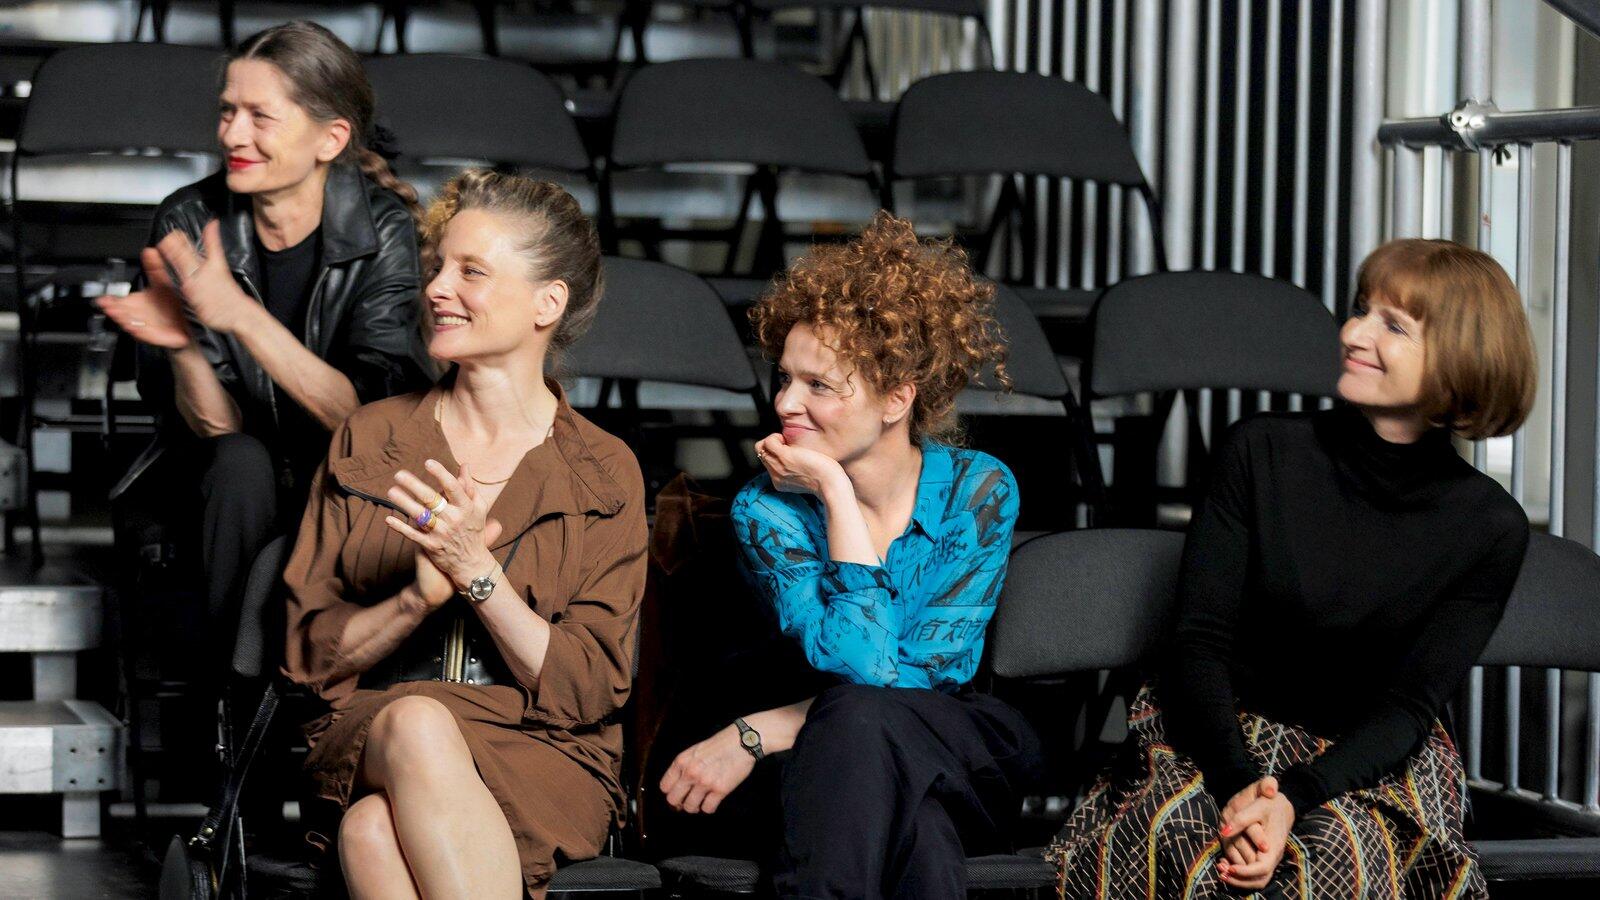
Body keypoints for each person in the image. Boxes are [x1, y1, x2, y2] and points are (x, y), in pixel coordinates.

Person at [1049, 238, 1537, 899]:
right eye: (1360, 310)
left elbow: (1407, 707)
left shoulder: (1491, 527)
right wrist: (1239, 786)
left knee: (1334, 858)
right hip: (1217, 735)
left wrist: (1293, 799)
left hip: (1365, 760)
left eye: (1393, 326)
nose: (1353, 334)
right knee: (1191, 845)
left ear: (1461, 359)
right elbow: (1199, 643)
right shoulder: (1260, 450)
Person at [651, 211, 1044, 899]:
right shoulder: (766, 510)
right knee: (912, 824)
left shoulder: (979, 489)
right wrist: (835, 493)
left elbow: (916, 675)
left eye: (819, 386)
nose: (785, 403)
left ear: (896, 400)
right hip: (844, 765)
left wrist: (762, 729)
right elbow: (862, 671)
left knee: (861, 730)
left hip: (957, 742)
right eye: (784, 378)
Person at [281, 170, 644, 899]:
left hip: (543, 749)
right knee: (418, 722)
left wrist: (477, 573)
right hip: (370, 732)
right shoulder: (370, 438)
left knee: (371, 832)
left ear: (547, 303)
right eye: (439, 267)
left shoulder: (604, 470)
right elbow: (307, 661)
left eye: (471, 271)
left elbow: (589, 688)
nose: (438, 289)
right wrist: (414, 600)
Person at [97, 21, 433, 672]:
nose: (232, 135)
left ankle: (278, 692)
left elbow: (366, 421)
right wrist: (183, 345)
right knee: (242, 463)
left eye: (260, 116)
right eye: (228, 112)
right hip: (220, 475)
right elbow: (214, 425)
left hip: (344, 465)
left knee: (326, 472)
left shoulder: (384, 228)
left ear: (331, 138)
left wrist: (242, 318)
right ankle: (240, 694)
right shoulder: (188, 218)